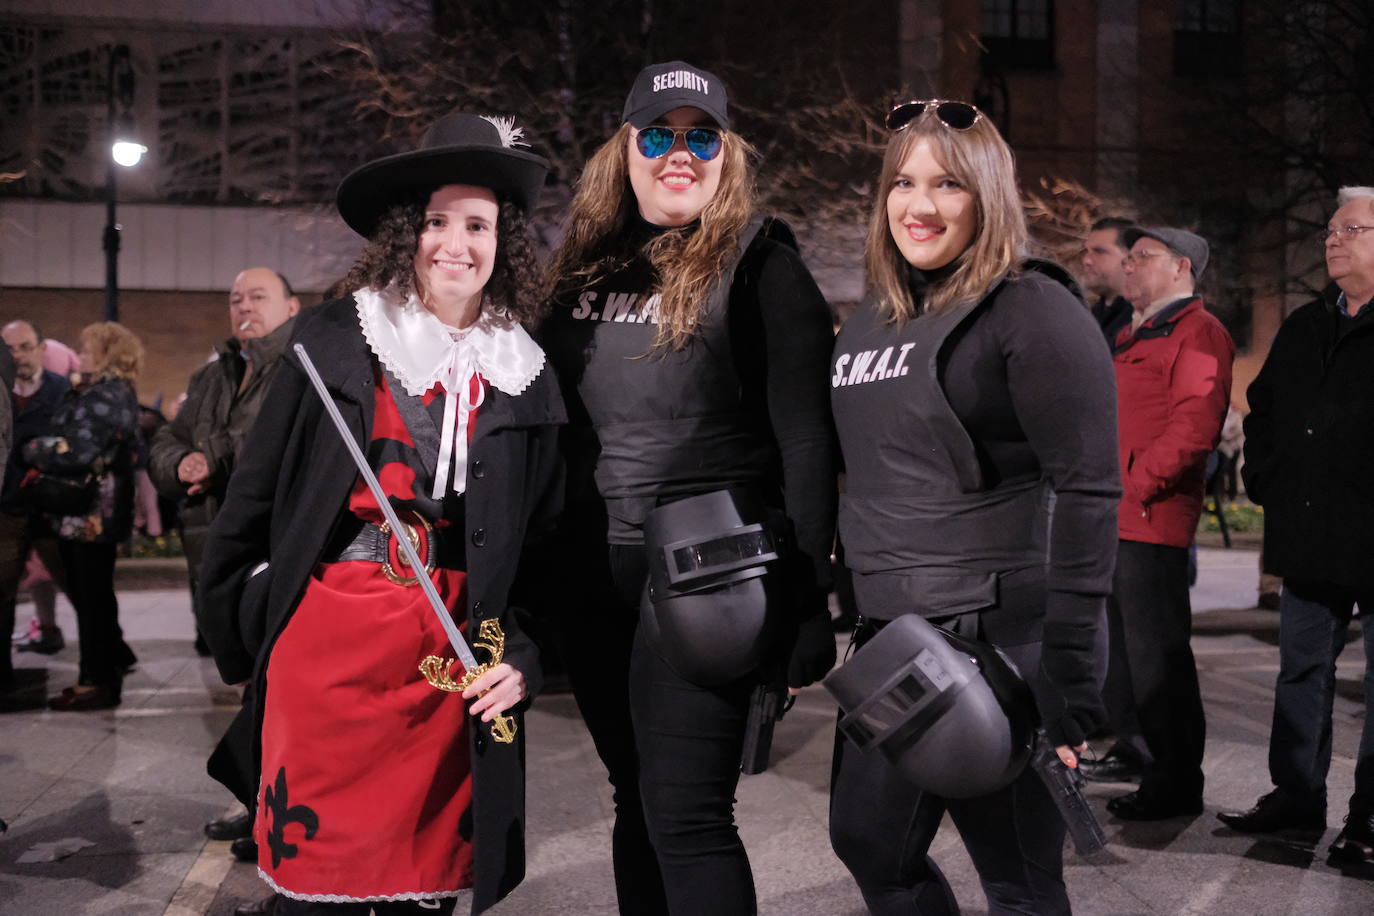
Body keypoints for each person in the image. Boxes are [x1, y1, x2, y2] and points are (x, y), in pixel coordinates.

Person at [195, 112, 562, 916]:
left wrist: (525, 659)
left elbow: (542, 544)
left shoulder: (526, 371)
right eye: (436, 221)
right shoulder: (333, 339)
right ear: (407, 232)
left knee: (423, 889)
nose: (455, 244)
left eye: (479, 224)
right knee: (312, 895)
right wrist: (252, 616)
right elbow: (253, 497)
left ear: (505, 241)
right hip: (328, 653)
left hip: (447, 663)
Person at [541, 60, 838, 914]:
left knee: (688, 813)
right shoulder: (580, 269)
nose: (681, 152)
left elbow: (808, 437)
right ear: (625, 147)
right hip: (596, 572)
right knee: (635, 801)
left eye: (701, 135)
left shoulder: (763, 262)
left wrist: (811, 595)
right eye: (660, 134)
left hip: (713, 573)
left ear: (726, 152)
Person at [827, 99, 1118, 915]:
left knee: (1019, 881)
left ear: (987, 193)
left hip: (999, 643)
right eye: (903, 183)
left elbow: (1092, 493)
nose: (920, 206)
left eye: (948, 184)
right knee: (870, 847)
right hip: (892, 639)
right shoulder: (871, 320)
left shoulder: (1033, 308)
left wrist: (1070, 670)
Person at [1219, 186, 1374, 868]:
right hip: (1309, 529)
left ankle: (1368, 819)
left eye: (1351, 229)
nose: (1332, 240)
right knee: (1300, 671)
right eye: (1330, 231)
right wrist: (1267, 482)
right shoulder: (1308, 324)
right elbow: (1263, 408)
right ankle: (1296, 797)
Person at [147, 267, 301, 855]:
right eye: (236, 298)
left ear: (291, 305)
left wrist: (214, 459)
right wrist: (180, 461)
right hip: (214, 551)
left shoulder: (303, 369)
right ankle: (261, 803)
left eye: (257, 296)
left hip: (273, 550)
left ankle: (277, 811)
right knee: (247, 685)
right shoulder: (212, 374)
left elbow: (281, 453)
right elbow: (166, 437)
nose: (244, 306)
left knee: (278, 684)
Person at [1096, 227, 1234, 821]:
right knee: (1128, 658)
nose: (1129, 267)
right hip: (1117, 517)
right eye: (1125, 259)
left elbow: (1193, 427)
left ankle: (1176, 783)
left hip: (1149, 519)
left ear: (1181, 267)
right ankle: (1146, 760)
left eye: (1142, 258)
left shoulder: (1198, 331)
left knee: (1160, 662)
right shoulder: (1133, 334)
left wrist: (1133, 487)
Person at [22, 322, 142, 710]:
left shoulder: (101, 396)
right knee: (96, 596)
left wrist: (33, 448)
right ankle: (108, 666)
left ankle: (96, 682)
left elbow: (76, 451)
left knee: (90, 598)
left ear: (107, 354)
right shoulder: (116, 392)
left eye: (89, 349)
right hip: (98, 514)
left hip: (88, 515)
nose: (81, 356)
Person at [2, 321, 70, 683]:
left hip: (52, 506)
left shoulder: (62, 391)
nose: (17, 356)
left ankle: (103, 664)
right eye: (9, 349)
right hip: (7, 508)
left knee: (76, 584)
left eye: (25, 347)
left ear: (42, 348)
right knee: (3, 592)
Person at [1080, 216, 1136, 342]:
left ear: (1131, 257)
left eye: (1099, 251)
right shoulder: (1087, 318)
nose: (1086, 260)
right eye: (1086, 251)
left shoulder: (1143, 321)